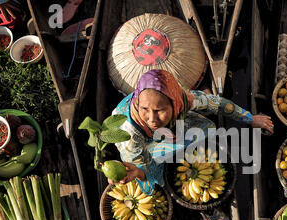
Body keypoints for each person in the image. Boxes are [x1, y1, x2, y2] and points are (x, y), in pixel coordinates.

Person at [111, 69, 274, 194]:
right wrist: (139, 172)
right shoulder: (129, 135)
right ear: (138, 103)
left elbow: (216, 103)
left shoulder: (181, 98)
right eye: (144, 109)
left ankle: (173, 139)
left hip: (166, 128)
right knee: (154, 184)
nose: (152, 118)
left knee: (207, 128)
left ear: (174, 103)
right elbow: (145, 169)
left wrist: (249, 118)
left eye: (160, 110)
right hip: (140, 144)